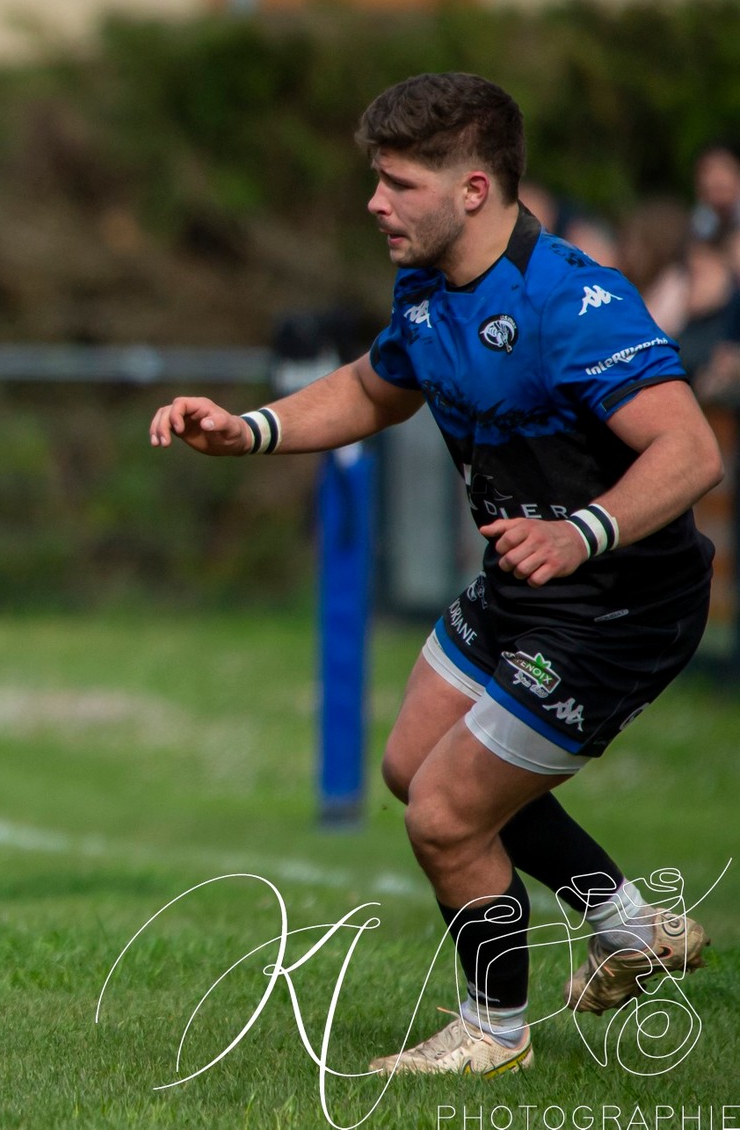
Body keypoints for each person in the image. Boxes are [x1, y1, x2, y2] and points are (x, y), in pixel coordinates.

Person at [149, 72, 720, 1076]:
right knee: (415, 768)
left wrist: (580, 532)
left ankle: (492, 1028)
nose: (373, 202)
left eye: (397, 182)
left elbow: (686, 452)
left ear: (470, 190)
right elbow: (375, 390)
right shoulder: (426, 287)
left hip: (613, 603)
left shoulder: (571, 302)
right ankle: (625, 926)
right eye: (375, 179)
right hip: (526, 588)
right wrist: (247, 430)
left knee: (446, 815)